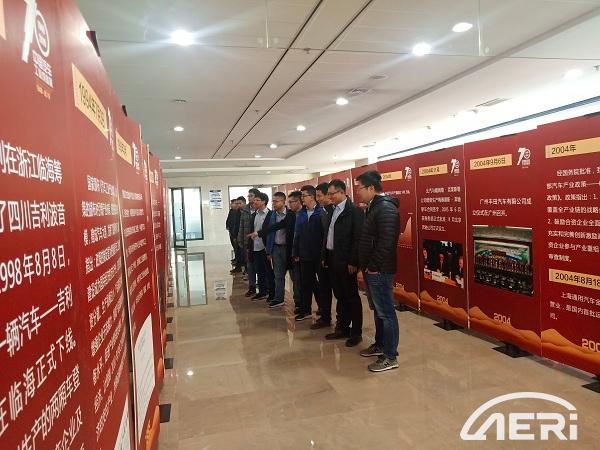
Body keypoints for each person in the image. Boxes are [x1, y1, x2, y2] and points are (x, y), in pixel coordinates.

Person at [356, 170, 401, 372]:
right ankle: (380, 344)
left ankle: (390, 356)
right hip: (372, 269)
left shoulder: (385, 209)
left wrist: (373, 266)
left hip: (380, 270)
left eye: (360, 188)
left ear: (371, 188)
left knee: (386, 313)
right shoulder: (374, 207)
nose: (358, 192)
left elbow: (387, 242)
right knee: (379, 311)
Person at [322, 179, 364, 346]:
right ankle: (342, 327)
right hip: (332, 258)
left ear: (342, 192)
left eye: (332, 194)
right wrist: (325, 256)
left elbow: (357, 238)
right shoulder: (331, 210)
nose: (329, 197)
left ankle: (356, 332)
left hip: (347, 260)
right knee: (339, 295)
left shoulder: (354, 211)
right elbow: (328, 235)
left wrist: (353, 261)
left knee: (351, 296)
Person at [251, 192, 296, 309]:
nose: (274, 203)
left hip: (289, 249)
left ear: (283, 202)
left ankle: (299, 302)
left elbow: (281, 227)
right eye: (273, 201)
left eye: (276, 201)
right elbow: (269, 230)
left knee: (294, 277)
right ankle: (278, 299)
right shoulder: (272, 215)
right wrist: (269, 250)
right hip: (276, 248)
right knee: (278, 275)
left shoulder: (291, 214)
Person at [293, 185, 324, 322]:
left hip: (319, 255)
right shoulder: (301, 214)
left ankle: (323, 308)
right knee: (306, 283)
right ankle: (306, 310)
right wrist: (296, 252)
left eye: (304, 195)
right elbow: (297, 234)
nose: (302, 198)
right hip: (304, 254)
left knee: (321, 284)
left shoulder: (321, 212)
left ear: (312, 196)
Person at [312, 182, 334, 329]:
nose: (318, 199)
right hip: (323, 256)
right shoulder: (323, 211)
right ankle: (325, 317)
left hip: (334, 258)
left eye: (320, 196)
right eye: (317, 196)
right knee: (324, 288)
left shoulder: (333, 211)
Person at [249, 192, 274, 301]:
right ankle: (262, 291)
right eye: (254, 200)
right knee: (259, 271)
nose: (254, 202)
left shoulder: (270, 214)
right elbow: (252, 230)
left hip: (266, 247)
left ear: (264, 202)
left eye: (257, 200)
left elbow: (270, 231)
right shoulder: (254, 215)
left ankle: (271, 292)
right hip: (256, 246)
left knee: (269, 271)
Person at [238, 188, 260, 297]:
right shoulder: (245, 210)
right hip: (248, 243)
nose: (249, 198)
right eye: (249, 196)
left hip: (260, 243)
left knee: (260, 266)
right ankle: (252, 287)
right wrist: (240, 241)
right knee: (250, 266)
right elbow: (241, 226)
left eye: (251, 196)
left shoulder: (261, 210)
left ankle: (263, 286)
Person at [287, 191, 303, 313]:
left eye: (291, 202)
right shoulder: (291, 215)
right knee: (295, 279)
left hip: (303, 254)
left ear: (298, 201)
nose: (289, 205)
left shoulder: (304, 215)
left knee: (304, 281)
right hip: (292, 253)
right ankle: (298, 302)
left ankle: (304, 304)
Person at [228, 199, 243, 274]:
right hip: (234, 233)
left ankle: (241, 266)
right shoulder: (233, 212)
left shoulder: (243, 213)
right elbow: (231, 222)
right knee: (237, 250)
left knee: (240, 251)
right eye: (236, 203)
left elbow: (239, 225)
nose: (236, 205)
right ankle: (238, 265)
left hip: (240, 235)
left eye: (238, 203)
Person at [226, 199, 238, 263]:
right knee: (234, 245)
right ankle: (236, 258)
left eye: (232, 203)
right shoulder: (231, 211)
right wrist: (227, 226)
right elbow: (228, 220)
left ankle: (238, 260)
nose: (231, 205)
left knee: (236, 246)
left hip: (235, 232)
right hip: (231, 232)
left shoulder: (237, 212)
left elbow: (235, 223)